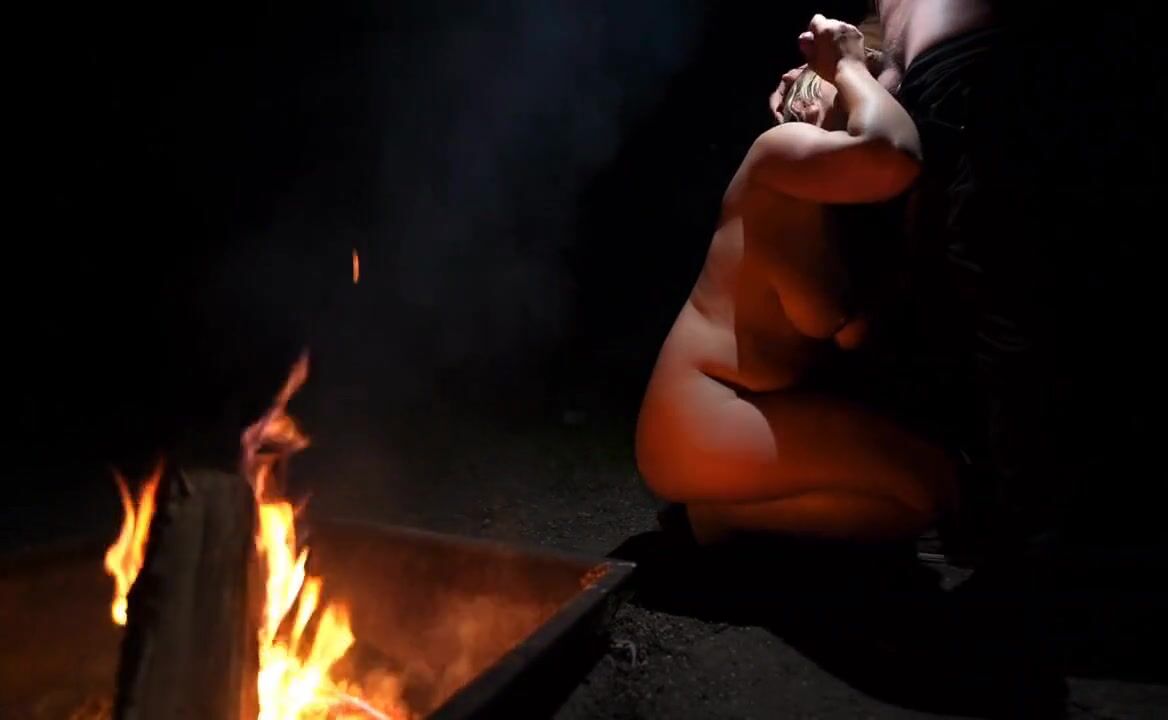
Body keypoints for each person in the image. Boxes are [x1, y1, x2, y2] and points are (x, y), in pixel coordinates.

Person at [634, 15, 954, 545]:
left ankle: (724, 509)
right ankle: (720, 515)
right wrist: (850, 66)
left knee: (933, 486)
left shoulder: (829, 195)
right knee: (926, 490)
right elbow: (892, 156)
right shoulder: (779, 149)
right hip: (699, 418)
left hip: (746, 414)